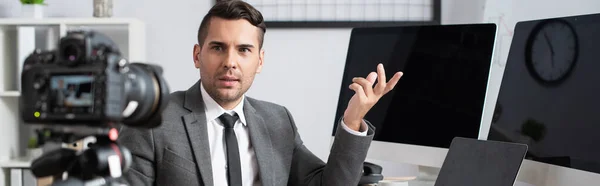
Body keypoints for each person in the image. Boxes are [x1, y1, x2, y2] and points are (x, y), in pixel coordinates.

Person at [117, 1, 403, 186]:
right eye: (218, 47)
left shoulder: (278, 121)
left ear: (260, 61)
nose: (230, 61)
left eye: (243, 50)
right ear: (197, 55)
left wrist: (353, 119)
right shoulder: (152, 118)